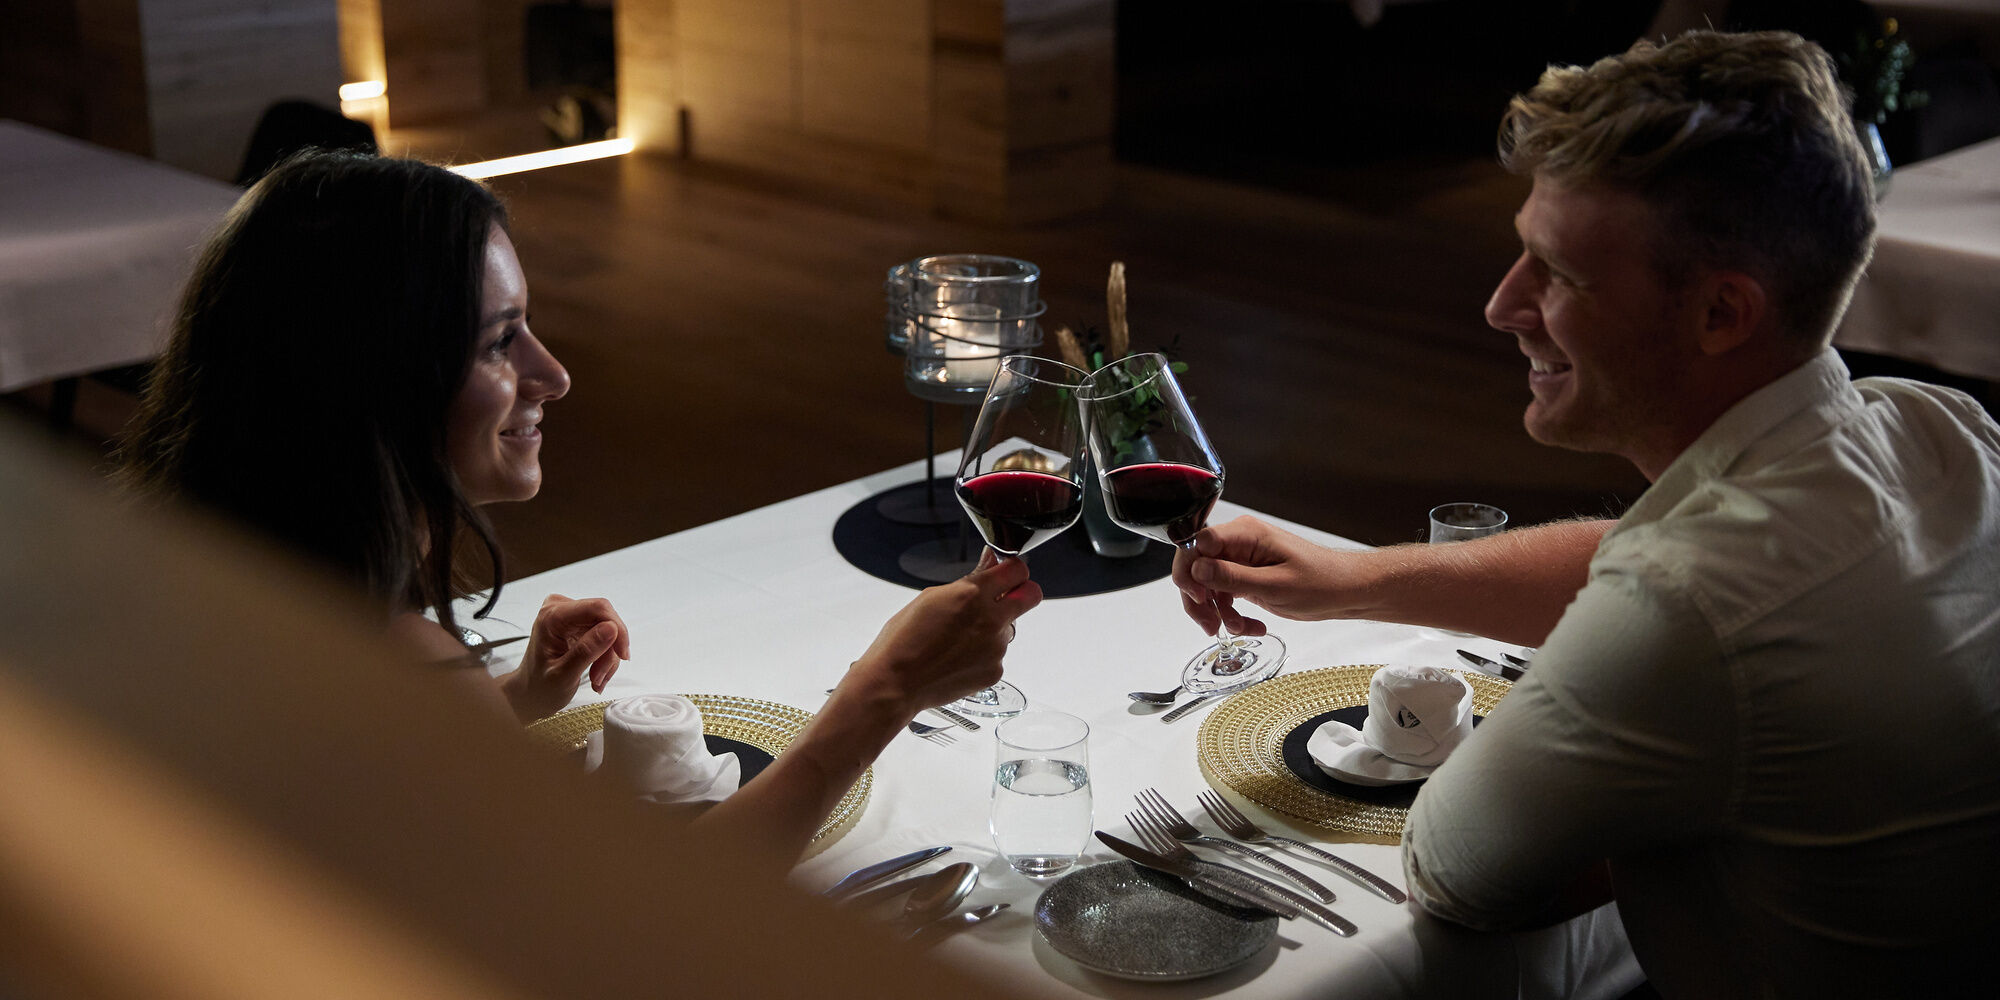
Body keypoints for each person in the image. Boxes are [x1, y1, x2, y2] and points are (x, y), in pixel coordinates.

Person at [1171, 30, 2000, 997]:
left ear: (1721, 314)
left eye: (1557, 272)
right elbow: (1660, 554)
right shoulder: (1942, 432)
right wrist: (1360, 579)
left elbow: (1453, 866)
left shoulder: (1687, 611)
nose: (1501, 304)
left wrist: (1647, 794)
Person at [118, 151, 1039, 860]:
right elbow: (637, 933)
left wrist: (510, 699)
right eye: (498, 341)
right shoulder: (385, 660)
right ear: (376, 382)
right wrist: (883, 693)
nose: (552, 376)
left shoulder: (216, 578)